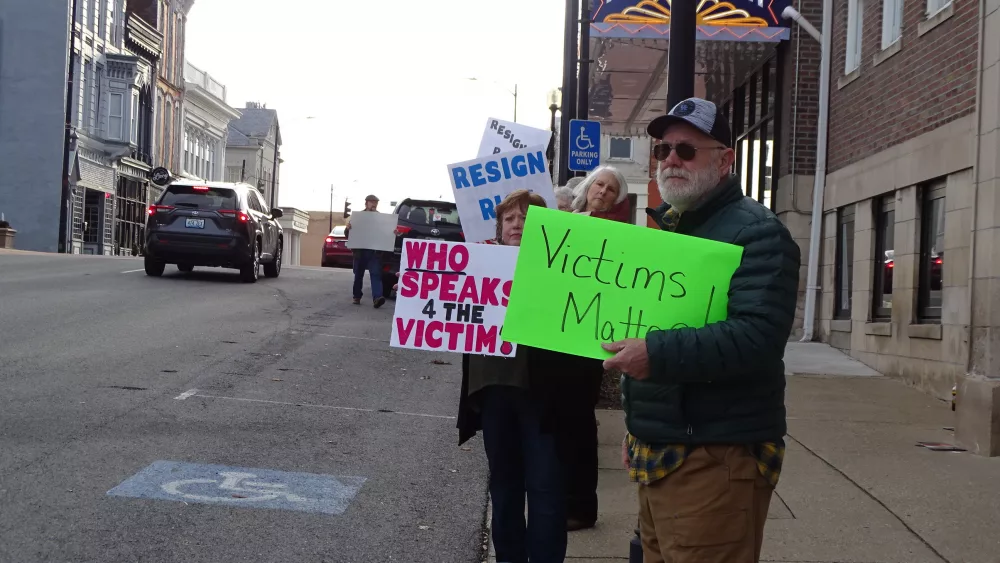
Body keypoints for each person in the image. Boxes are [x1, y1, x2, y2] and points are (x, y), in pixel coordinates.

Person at [601, 97, 800, 563]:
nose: (670, 159)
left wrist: (654, 354)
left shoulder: (757, 232)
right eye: (662, 150)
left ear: (725, 159)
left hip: (715, 454)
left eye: (686, 150)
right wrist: (641, 428)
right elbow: (657, 327)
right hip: (668, 449)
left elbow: (756, 338)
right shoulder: (677, 231)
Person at [456, 189, 599, 563]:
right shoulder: (480, 264)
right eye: (510, 219)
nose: (517, 224)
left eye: (526, 218)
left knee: (546, 489)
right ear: (500, 229)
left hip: (546, 397)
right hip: (494, 392)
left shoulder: (565, 268)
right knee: (504, 488)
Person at [550, 165, 632, 532]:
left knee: (579, 422)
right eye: (600, 183)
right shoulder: (561, 219)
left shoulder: (620, 230)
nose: (603, 191)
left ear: (618, 198)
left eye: (612, 189)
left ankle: (582, 507)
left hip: (588, 335)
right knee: (556, 420)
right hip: (555, 333)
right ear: (588, 186)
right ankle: (557, 498)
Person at [344, 194, 386, 308]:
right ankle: (356, 296)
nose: (374, 204)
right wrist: (348, 228)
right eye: (372, 202)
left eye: (376, 202)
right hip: (360, 251)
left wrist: (393, 233)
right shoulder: (358, 217)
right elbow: (347, 234)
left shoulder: (381, 219)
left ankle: (377, 298)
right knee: (358, 274)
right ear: (366, 203)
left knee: (376, 274)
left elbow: (385, 233)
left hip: (374, 251)